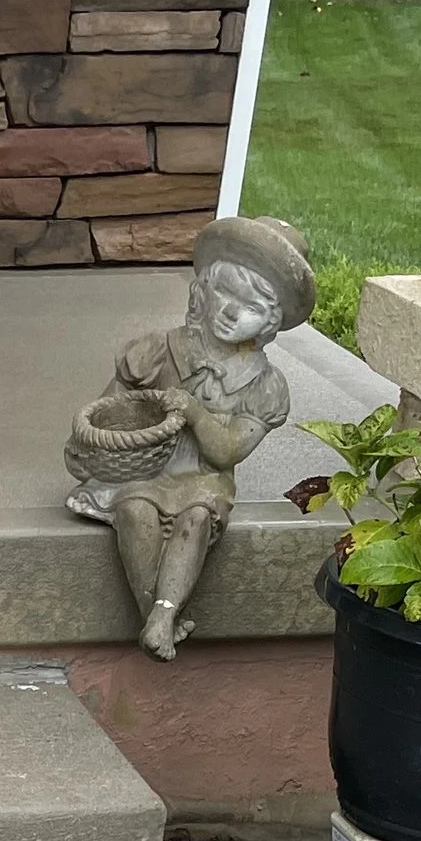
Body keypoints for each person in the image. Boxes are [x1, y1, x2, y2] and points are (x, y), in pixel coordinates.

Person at [64, 216, 317, 660]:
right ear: (202, 291)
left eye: (252, 307)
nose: (231, 312)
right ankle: (158, 617)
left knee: (198, 516)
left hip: (204, 479)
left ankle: (163, 614)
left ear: (269, 323)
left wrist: (196, 412)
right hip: (147, 471)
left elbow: (225, 453)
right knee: (134, 507)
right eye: (225, 293)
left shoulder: (264, 385)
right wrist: (90, 447)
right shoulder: (159, 350)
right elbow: (112, 411)